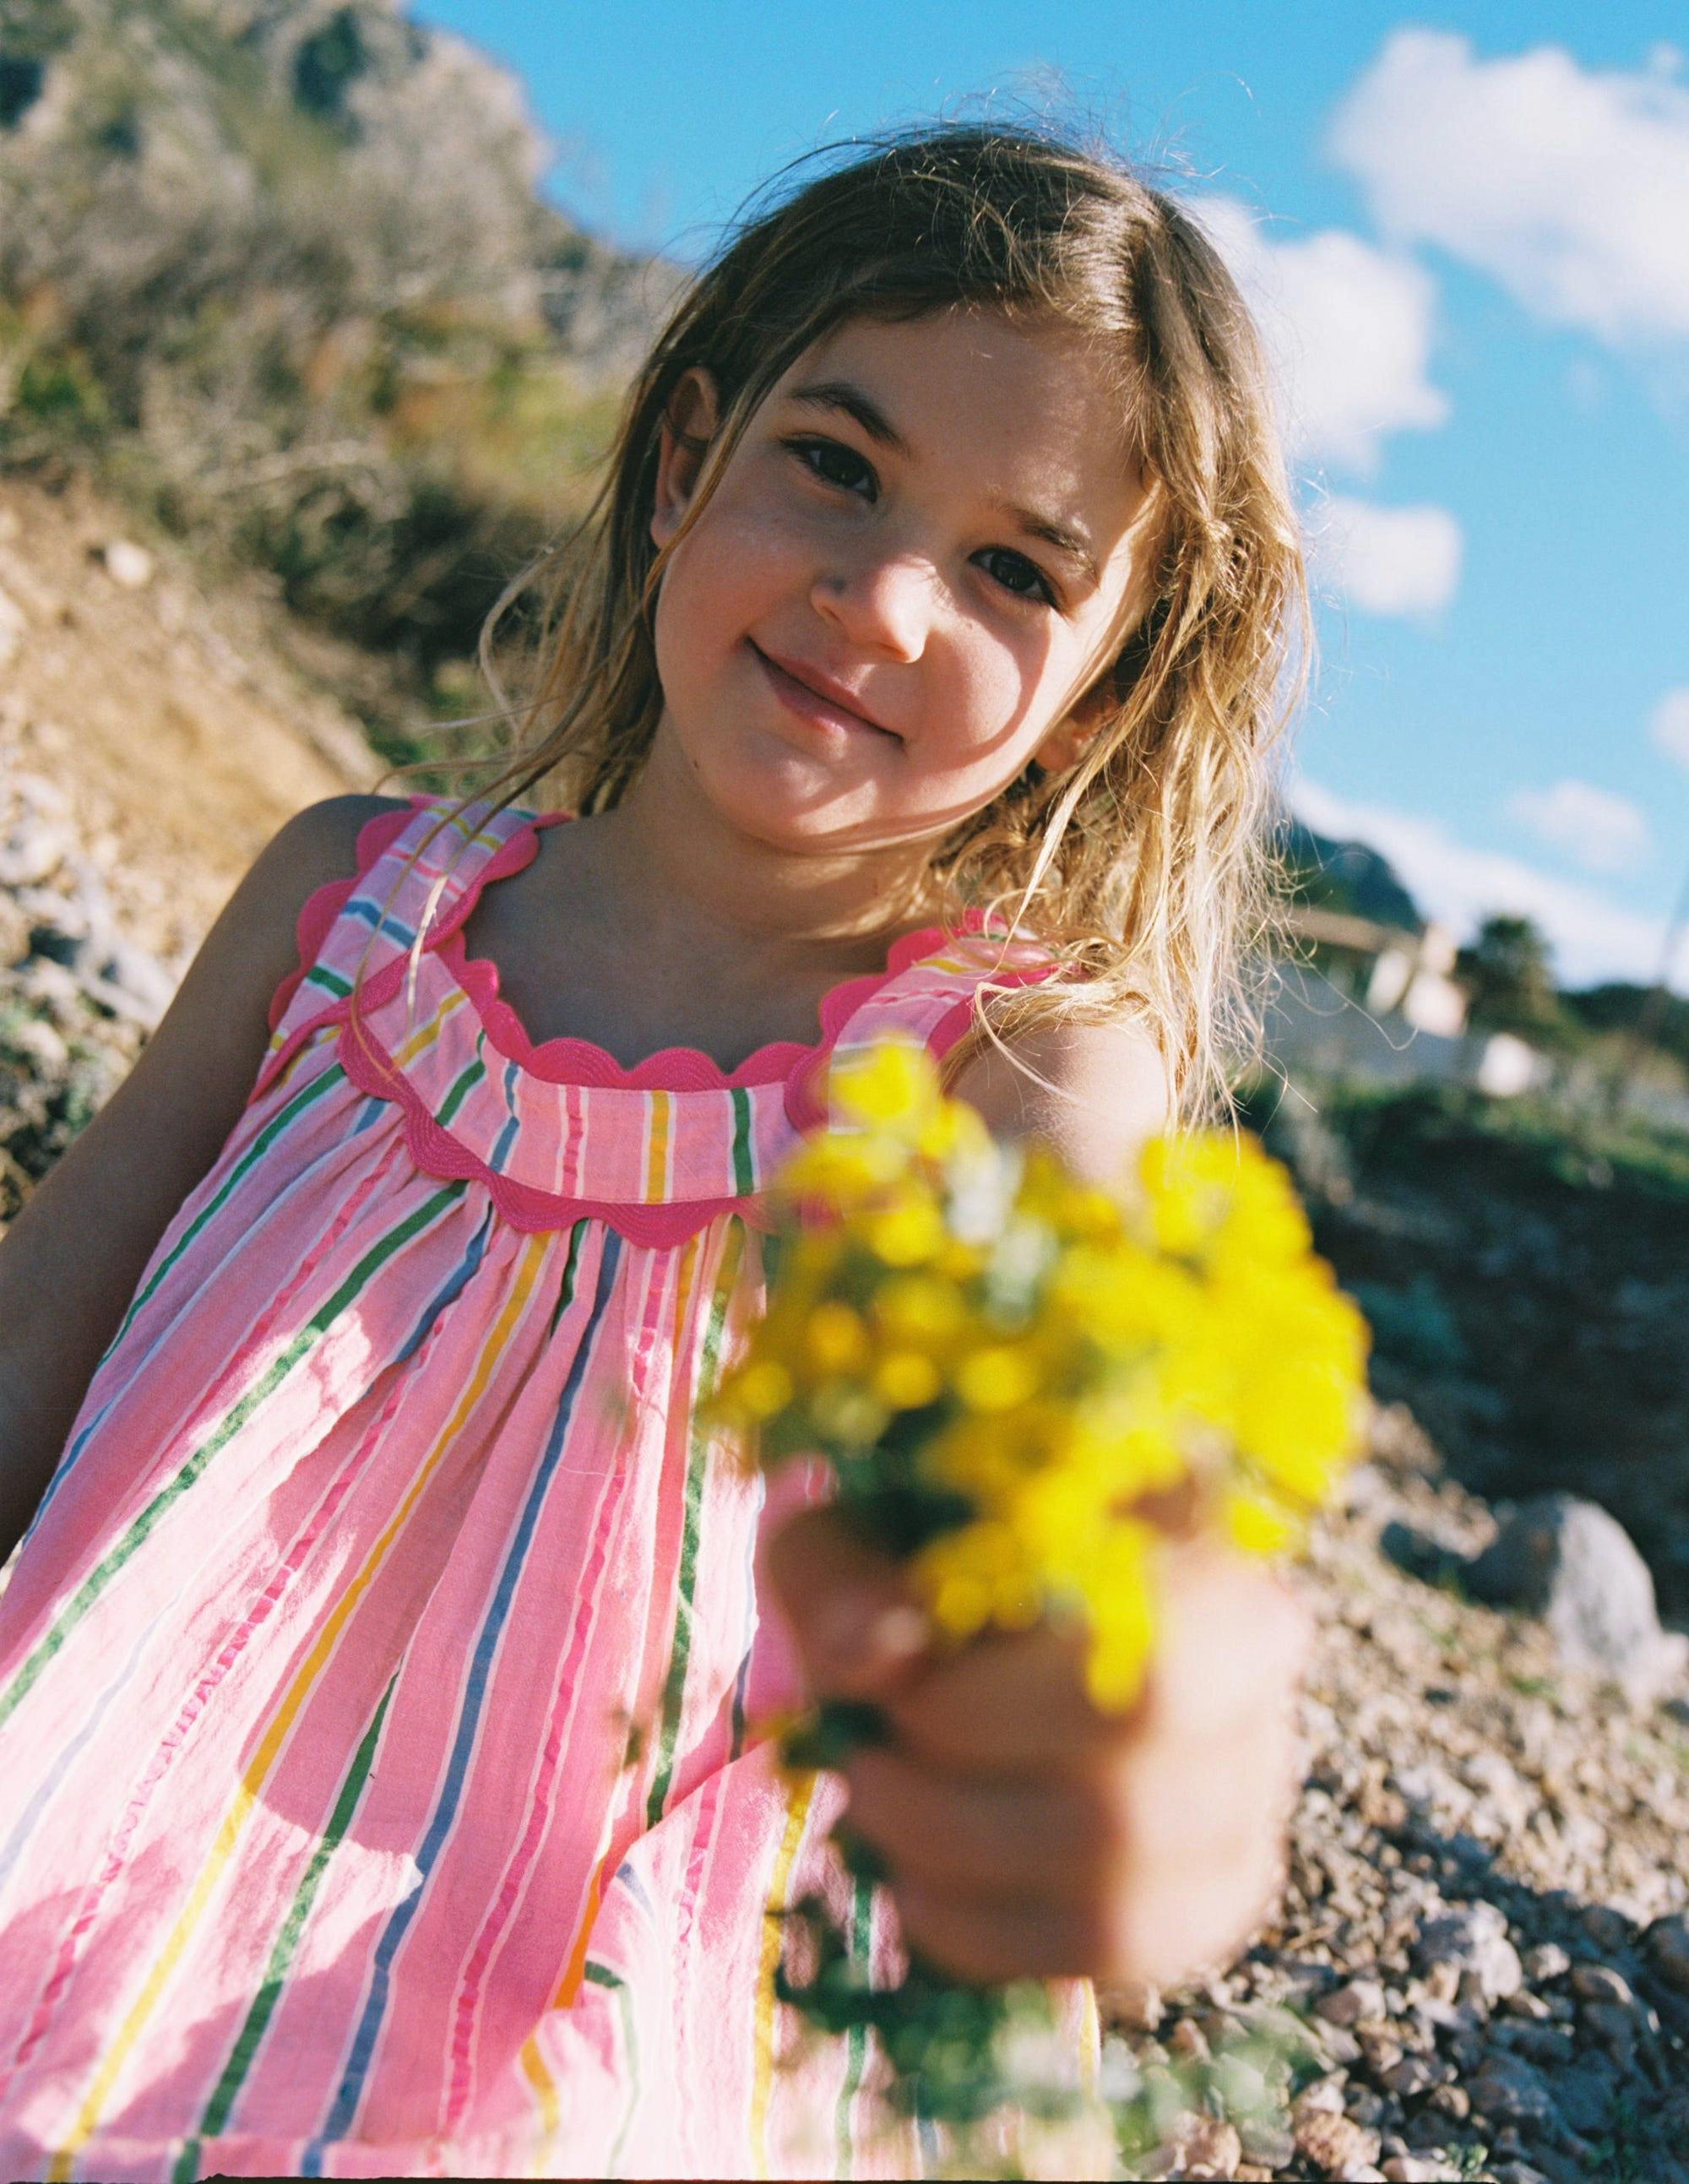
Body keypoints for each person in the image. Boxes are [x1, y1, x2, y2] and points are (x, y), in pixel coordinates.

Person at [0, 128, 1312, 2179]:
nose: (879, 599)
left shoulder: (1018, 1078)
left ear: (1098, 690)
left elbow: (1077, 1576)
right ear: (692, 448)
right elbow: (43, 1321)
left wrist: (1134, 1793)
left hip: (542, 1994)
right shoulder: (353, 898)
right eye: (836, 464)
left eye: (1013, 570)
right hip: (63, 1780)